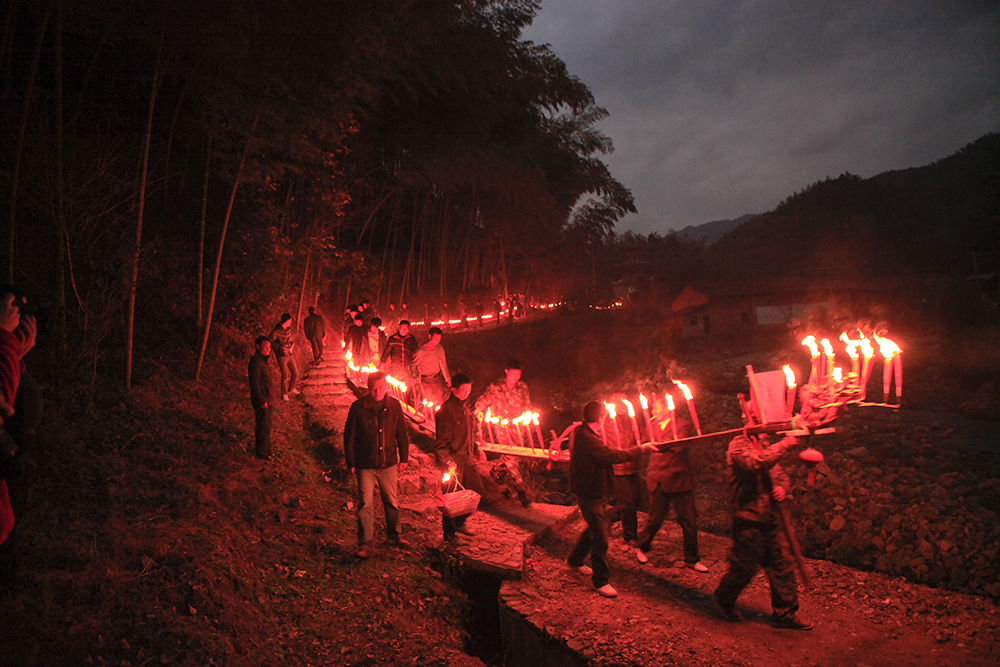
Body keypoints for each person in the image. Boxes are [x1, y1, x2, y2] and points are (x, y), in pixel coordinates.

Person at [711, 432, 812, 630]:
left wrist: (782, 487)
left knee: (782, 565)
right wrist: (783, 445)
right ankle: (724, 598)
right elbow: (756, 463)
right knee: (744, 567)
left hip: (771, 517)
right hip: (749, 518)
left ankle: (785, 613)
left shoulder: (765, 444)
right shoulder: (739, 444)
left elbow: (779, 475)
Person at [566, 401, 653, 598]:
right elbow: (612, 455)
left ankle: (575, 560)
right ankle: (600, 580)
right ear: (600, 418)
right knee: (601, 537)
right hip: (589, 493)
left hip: (589, 490)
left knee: (596, 527)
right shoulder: (588, 439)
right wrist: (641, 449)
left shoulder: (579, 431)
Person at [344, 372, 410, 559]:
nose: (377, 391)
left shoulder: (394, 406)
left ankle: (394, 534)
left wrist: (404, 457)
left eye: (381, 387)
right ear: (368, 386)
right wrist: (351, 462)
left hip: (387, 462)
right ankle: (365, 543)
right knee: (365, 503)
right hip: (365, 462)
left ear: (386, 387)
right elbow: (349, 437)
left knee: (391, 500)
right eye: (374, 387)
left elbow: (402, 433)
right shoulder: (358, 408)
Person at [635, 414, 708, 571]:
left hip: (679, 479)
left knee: (689, 520)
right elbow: (642, 443)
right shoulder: (651, 426)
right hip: (658, 478)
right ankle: (642, 546)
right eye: (655, 407)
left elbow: (679, 446)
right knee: (654, 519)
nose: (656, 409)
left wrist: (657, 445)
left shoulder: (683, 424)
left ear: (668, 408)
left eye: (660, 406)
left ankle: (692, 559)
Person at [473, 359, 532, 505]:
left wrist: (529, 418)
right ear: (507, 371)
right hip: (501, 428)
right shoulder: (496, 387)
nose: (516, 377)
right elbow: (484, 399)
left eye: (518, 374)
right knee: (511, 457)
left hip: (518, 428)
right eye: (514, 374)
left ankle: (496, 472)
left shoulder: (523, 387)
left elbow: (527, 406)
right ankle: (521, 491)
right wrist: (477, 410)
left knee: (515, 457)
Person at [435, 374, 486, 540]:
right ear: (454, 389)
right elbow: (441, 443)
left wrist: (477, 449)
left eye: (469, 390)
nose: (467, 393)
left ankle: (460, 522)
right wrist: (449, 462)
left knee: (477, 492)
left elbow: (468, 434)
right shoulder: (446, 411)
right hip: (453, 462)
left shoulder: (464, 409)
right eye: (463, 390)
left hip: (467, 459)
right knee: (451, 499)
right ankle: (449, 535)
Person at [247, 336, 277, 459]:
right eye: (265, 347)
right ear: (258, 346)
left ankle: (266, 450)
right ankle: (262, 453)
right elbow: (254, 383)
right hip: (262, 399)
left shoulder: (263, 360)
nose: (268, 349)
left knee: (266, 425)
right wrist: (261, 399)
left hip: (267, 398)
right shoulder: (256, 362)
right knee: (262, 426)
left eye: (269, 347)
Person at [413, 327, 450, 405]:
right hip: (426, 380)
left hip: (437, 379)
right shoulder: (421, 351)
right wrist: (414, 377)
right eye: (435, 338)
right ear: (430, 336)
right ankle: (428, 416)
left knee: (439, 400)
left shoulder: (439, 348)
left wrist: (448, 379)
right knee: (430, 400)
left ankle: (437, 416)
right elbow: (414, 364)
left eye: (439, 339)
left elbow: (443, 364)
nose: (437, 341)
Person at [269, 313, 299, 400]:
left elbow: (290, 339)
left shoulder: (288, 329)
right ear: (287, 320)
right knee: (285, 374)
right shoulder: (276, 331)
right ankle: (284, 393)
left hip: (289, 354)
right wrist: (278, 347)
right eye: (290, 320)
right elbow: (270, 341)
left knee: (295, 372)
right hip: (281, 356)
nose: (291, 322)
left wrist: (291, 346)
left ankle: (291, 388)